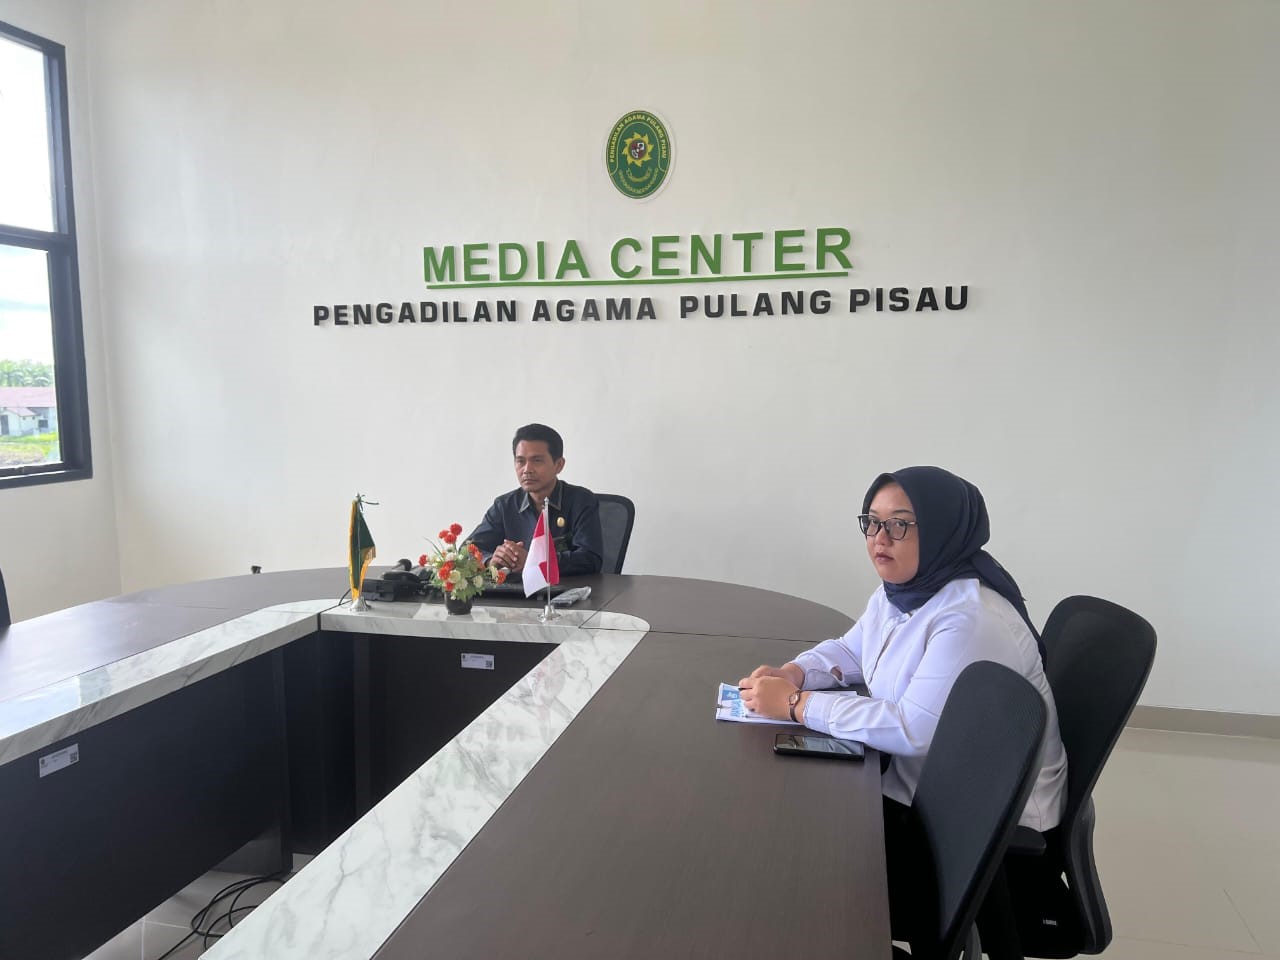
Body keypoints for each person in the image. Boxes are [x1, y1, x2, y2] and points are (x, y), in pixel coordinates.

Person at [738, 466, 1068, 945]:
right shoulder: (904, 591)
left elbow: (911, 730)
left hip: (977, 840)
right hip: (933, 792)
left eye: (900, 524)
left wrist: (795, 705)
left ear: (942, 528)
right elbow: (853, 650)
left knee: (789, 870)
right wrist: (796, 672)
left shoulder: (969, 617)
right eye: (871, 522)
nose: (880, 537)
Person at [467, 424, 604, 577]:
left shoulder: (582, 501)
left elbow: (591, 559)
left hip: (564, 589)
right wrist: (490, 561)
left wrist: (536, 562)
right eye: (520, 461)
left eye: (537, 461)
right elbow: (467, 551)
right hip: (515, 590)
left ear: (559, 465)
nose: (527, 469)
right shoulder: (504, 506)